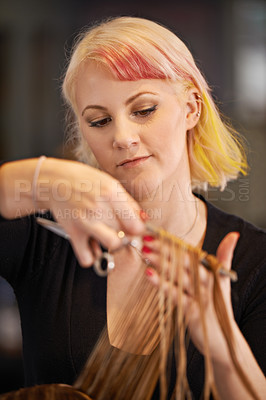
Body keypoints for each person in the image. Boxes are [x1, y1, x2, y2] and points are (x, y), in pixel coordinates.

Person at [0, 16, 265, 399]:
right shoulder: (46, 237)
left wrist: (225, 350)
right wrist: (39, 178)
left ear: (191, 108)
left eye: (143, 110)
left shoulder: (255, 264)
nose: (122, 137)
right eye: (100, 120)